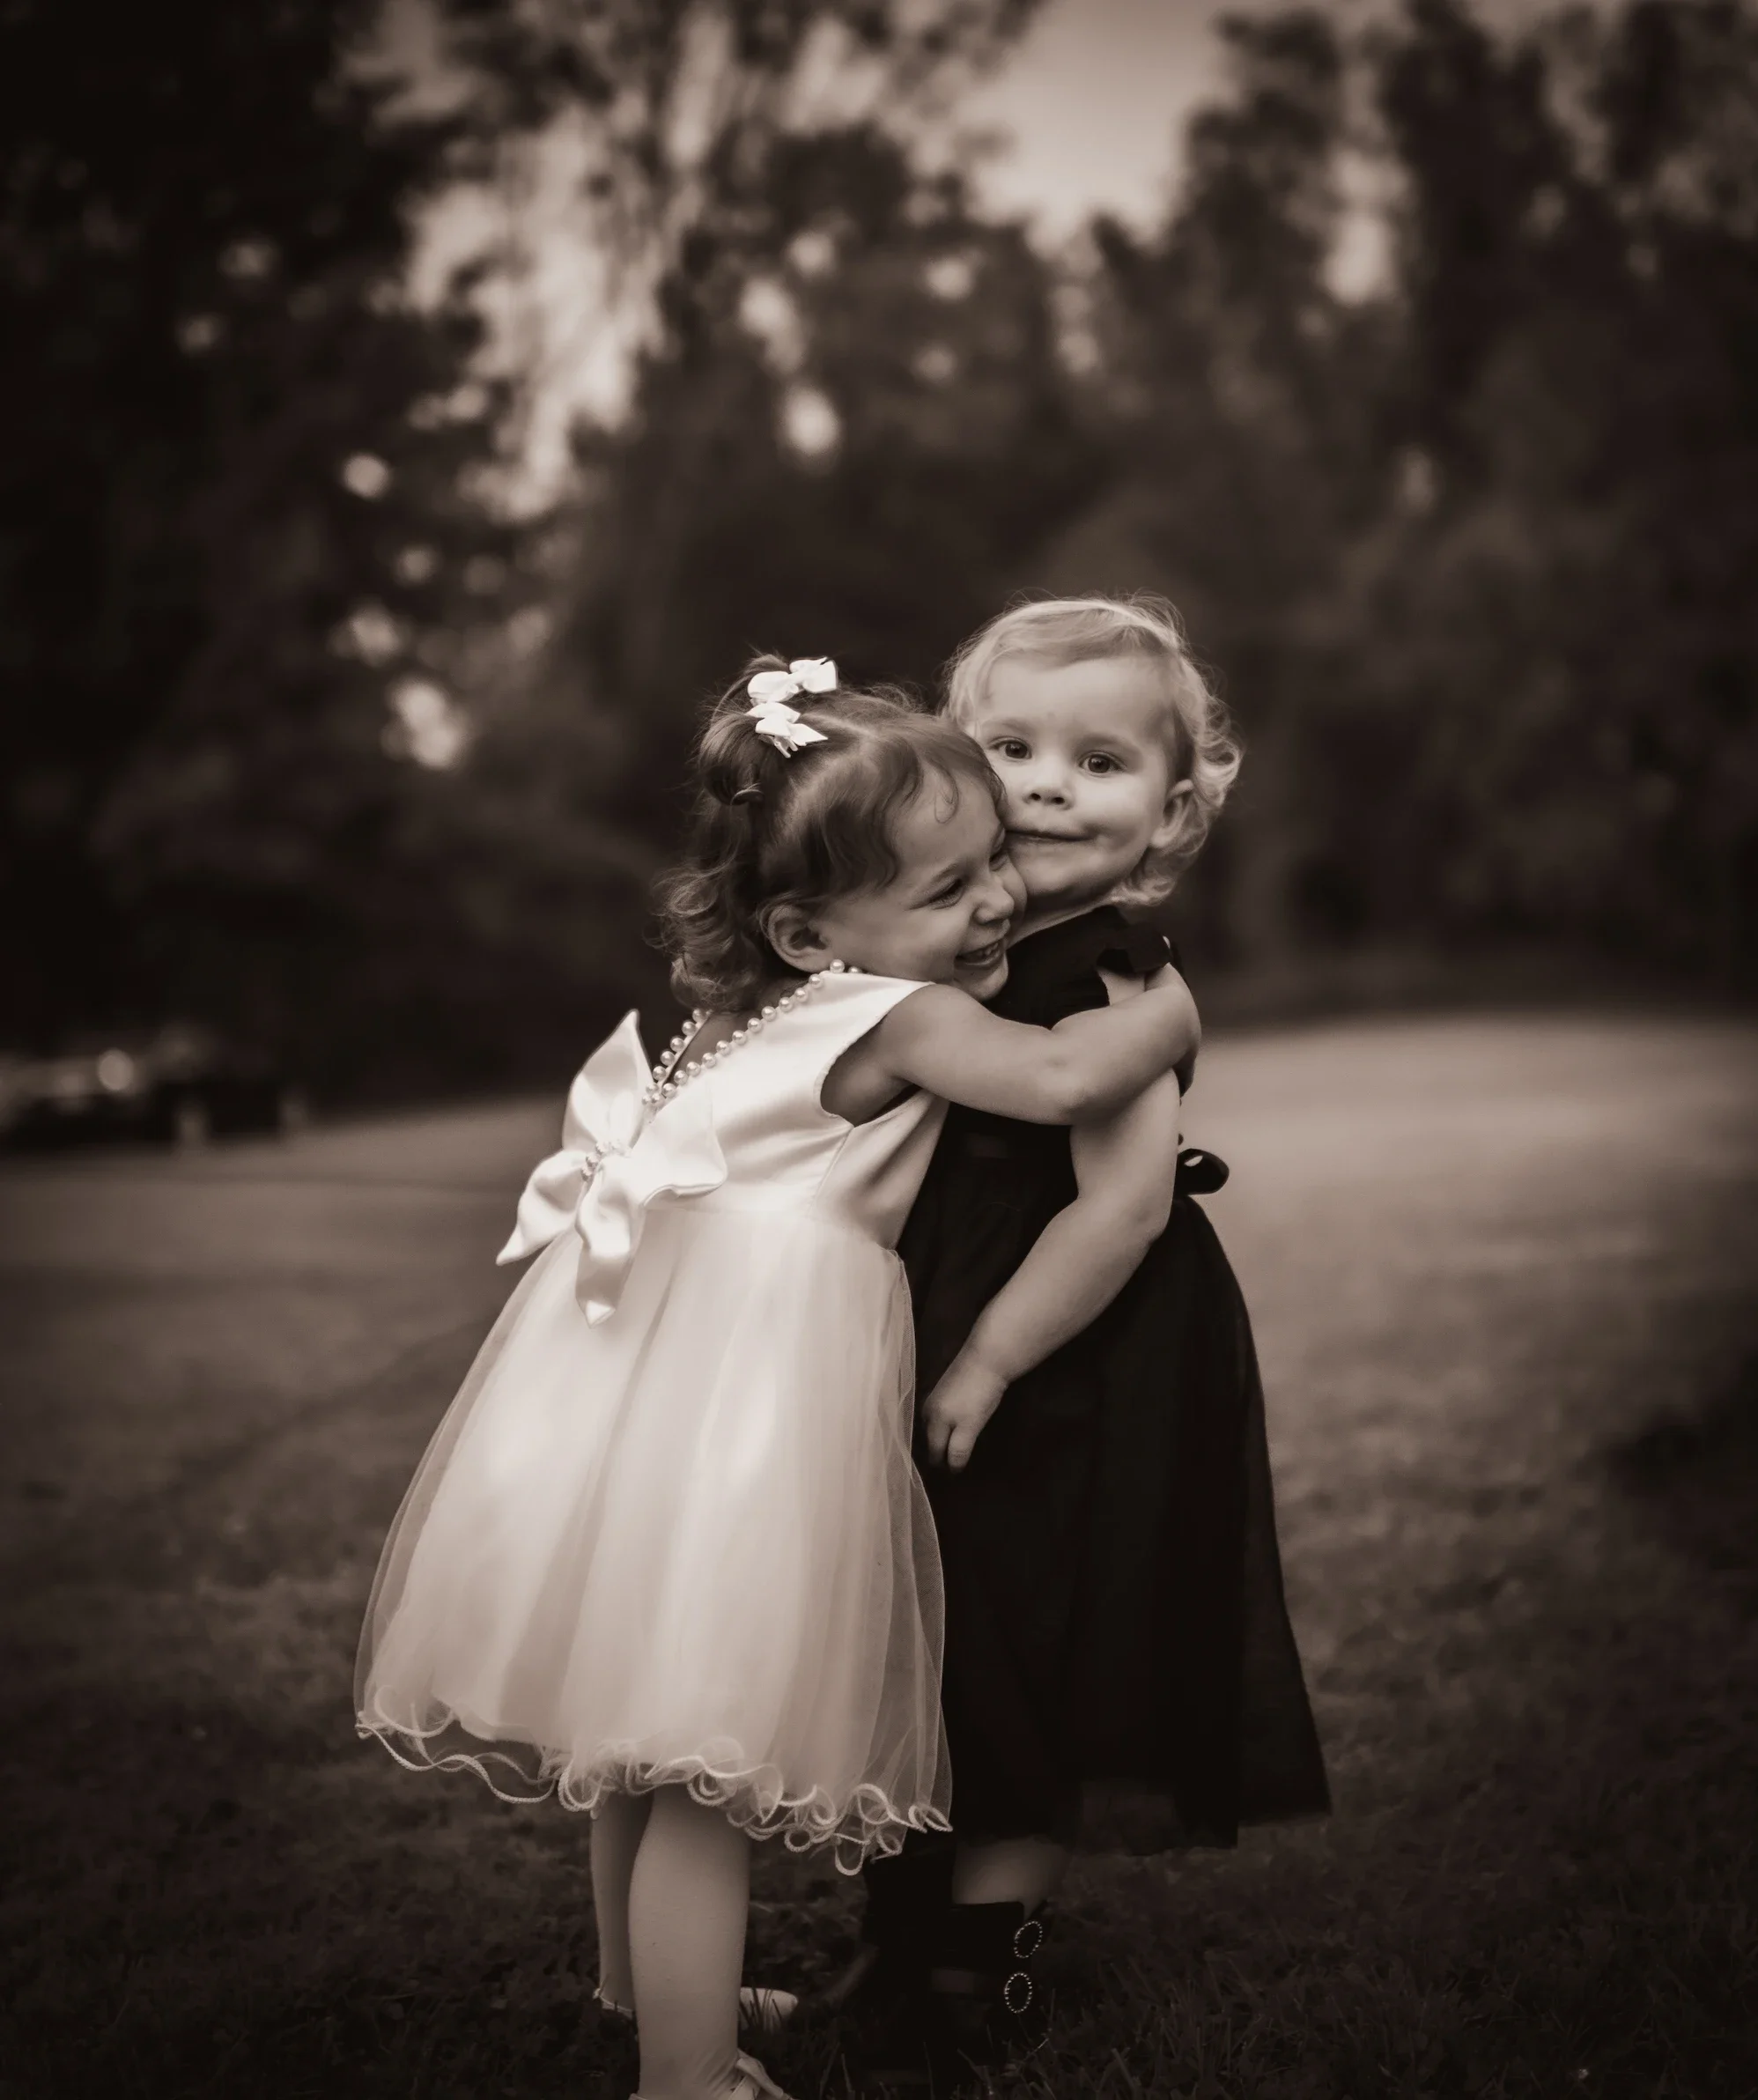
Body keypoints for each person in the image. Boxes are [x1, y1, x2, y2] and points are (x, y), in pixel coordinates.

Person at [354, 656, 1202, 2100]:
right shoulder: (896, 1013)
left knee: (637, 1733)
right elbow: (1067, 1081)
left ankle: (640, 1990)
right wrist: (1170, 1015)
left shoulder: (729, 1021)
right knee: (705, 1763)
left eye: (993, 864)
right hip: (752, 1409)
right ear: (812, 932)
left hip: (641, 1398)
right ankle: (687, 2077)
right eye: (948, 889)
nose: (995, 902)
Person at [840, 596, 1331, 2086]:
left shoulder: (1117, 977)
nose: (1049, 786)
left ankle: (980, 1979)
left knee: (1028, 1645)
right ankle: (897, 1951)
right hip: (943, 1320)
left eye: (1100, 762)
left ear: (1171, 812)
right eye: (1013, 749)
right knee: (923, 1638)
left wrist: (992, 1358)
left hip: (1072, 1351)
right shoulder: (943, 952)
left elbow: (1121, 1210)